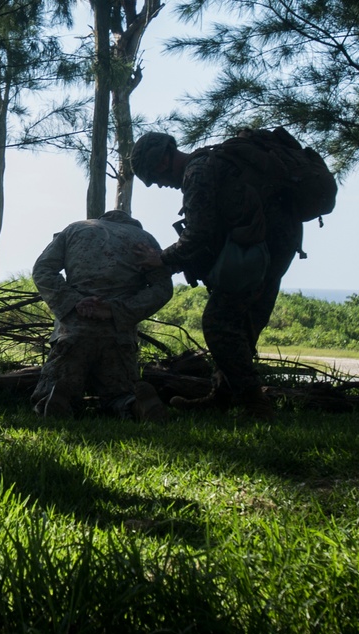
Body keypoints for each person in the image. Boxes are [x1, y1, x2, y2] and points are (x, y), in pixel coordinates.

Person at [130, 131, 304, 420]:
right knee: (242, 326)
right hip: (276, 246)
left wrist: (160, 260)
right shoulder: (208, 163)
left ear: (163, 161)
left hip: (258, 251)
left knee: (218, 323)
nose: (160, 185)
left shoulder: (196, 173)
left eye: (154, 177)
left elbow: (198, 235)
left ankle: (255, 405)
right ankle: (222, 397)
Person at [31, 209, 173, 420]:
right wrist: (116, 311)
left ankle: (55, 399)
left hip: (73, 333)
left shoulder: (75, 229)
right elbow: (162, 289)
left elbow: (42, 270)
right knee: (120, 394)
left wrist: (74, 302)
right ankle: (134, 405)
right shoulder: (144, 239)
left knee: (55, 385)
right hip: (118, 336)